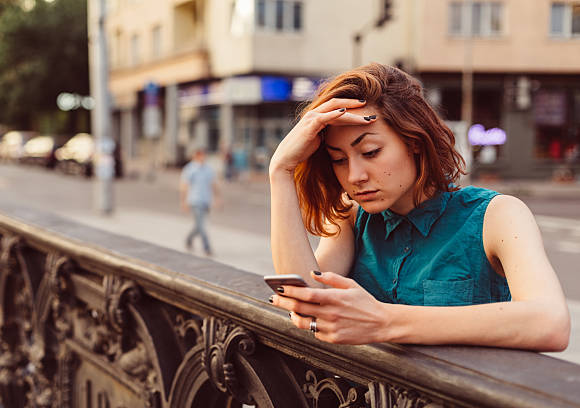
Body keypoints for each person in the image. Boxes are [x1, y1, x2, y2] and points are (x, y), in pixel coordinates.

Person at [268, 63, 570, 351]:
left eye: (370, 152)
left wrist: (384, 321)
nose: (354, 176)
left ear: (414, 140)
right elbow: (307, 305)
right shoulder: (351, 216)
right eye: (339, 160)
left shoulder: (498, 216)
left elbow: (550, 322)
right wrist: (280, 170)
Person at [180, 147, 219, 256]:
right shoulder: (190, 169)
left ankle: (188, 239)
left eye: (204, 155)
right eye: (201, 155)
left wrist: (217, 198)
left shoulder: (208, 169)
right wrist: (183, 202)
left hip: (205, 201)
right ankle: (207, 248)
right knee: (201, 226)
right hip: (194, 201)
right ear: (196, 156)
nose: (203, 157)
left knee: (198, 226)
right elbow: (184, 186)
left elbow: (213, 184)